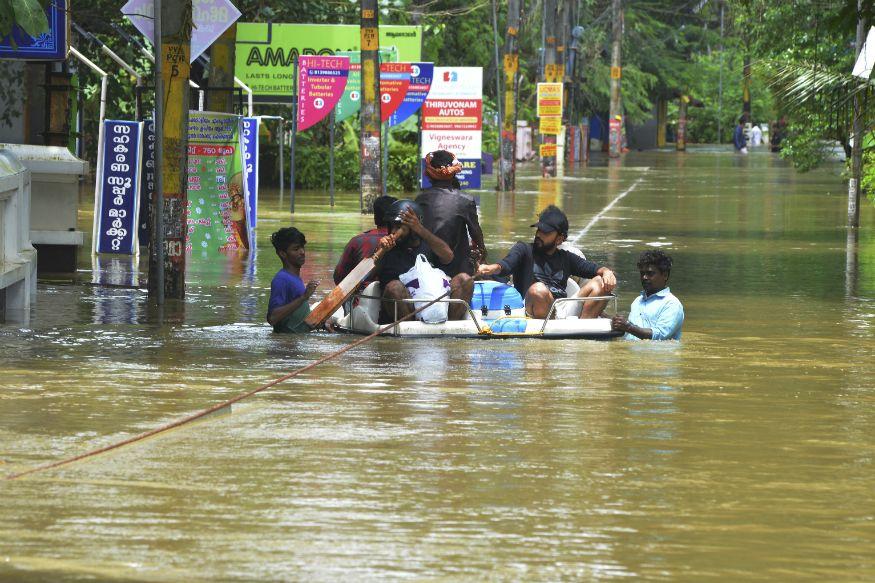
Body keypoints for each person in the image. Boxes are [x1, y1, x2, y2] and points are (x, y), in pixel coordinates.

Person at [476, 205, 617, 319]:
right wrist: (492, 268)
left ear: (560, 239)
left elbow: (593, 268)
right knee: (539, 290)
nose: (539, 234)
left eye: (546, 232)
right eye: (539, 229)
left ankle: (584, 331)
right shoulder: (524, 249)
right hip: (532, 305)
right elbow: (506, 264)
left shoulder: (567, 258)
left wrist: (607, 272)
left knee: (601, 282)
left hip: (561, 308)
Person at [375, 199, 474, 322]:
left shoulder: (429, 244)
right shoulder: (386, 249)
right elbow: (371, 272)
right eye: (392, 227)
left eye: (399, 227)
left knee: (465, 279)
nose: (394, 231)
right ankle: (410, 331)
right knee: (393, 287)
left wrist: (420, 229)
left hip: (436, 305)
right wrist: (381, 251)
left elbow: (448, 256)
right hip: (405, 311)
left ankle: (449, 330)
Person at [416, 150, 487, 276]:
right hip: (457, 269)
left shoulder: (420, 200)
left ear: (429, 175)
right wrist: (483, 254)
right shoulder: (466, 200)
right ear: (454, 174)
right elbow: (475, 232)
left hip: (425, 267)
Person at [611, 249, 684, 341]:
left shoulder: (672, 304)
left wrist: (628, 327)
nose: (644, 277)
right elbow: (630, 332)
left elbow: (660, 335)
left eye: (650, 273)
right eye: (642, 273)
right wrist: (610, 319)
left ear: (665, 275)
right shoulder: (637, 301)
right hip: (632, 353)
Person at [333, 195, 397, 284]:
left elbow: (339, 277)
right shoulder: (407, 241)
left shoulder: (357, 241)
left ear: (375, 218)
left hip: (362, 294)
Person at [267, 227, 319, 333]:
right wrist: (304, 297)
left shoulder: (294, 278)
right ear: (282, 253)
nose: (302, 252)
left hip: (296, 342)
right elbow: (272, 318)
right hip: (286, 344)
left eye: (302, 247)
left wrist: (317, 324)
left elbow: (295, 317)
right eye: (296, 249)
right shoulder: (281, 280)